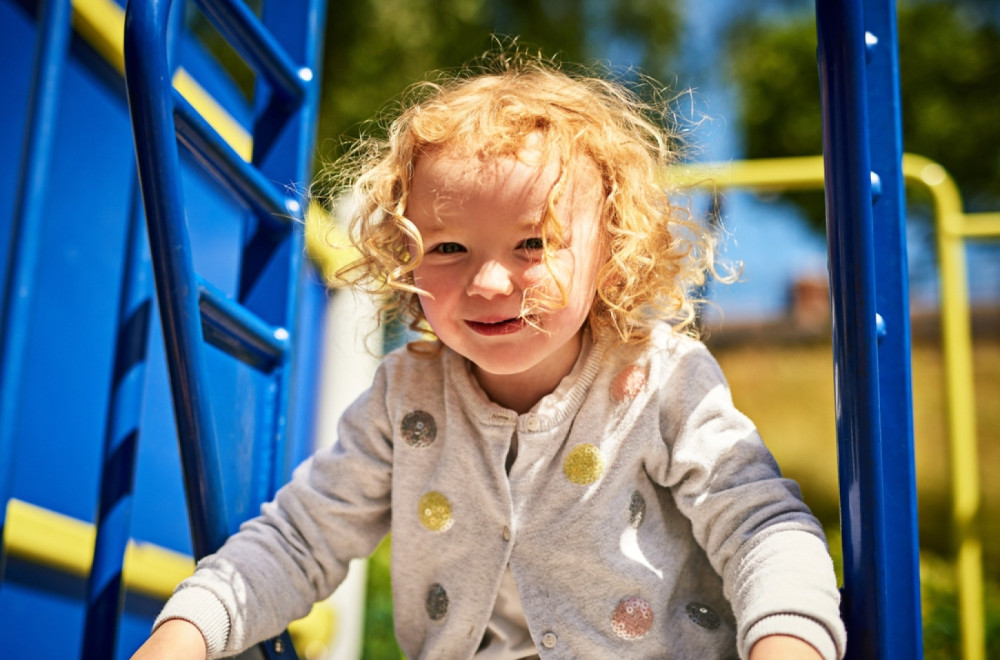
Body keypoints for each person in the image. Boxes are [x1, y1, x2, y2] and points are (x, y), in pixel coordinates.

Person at [132, 52, 846, 660]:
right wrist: (186, 632)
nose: (489, 283)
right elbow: (299, 539)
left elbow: (758, 525)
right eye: (448, 247)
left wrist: (787, 641)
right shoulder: (407, 398)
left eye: (533, 243)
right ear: (406, 258)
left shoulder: (660, 379)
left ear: (612, 249)